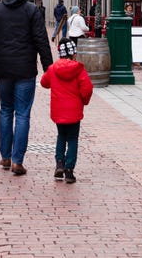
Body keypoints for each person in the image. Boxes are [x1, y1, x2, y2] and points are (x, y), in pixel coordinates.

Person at [0, 0, 53, 176]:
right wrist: (49, 67)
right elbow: (41, 40)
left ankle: (5, 155)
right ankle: (17, 160)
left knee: (5, 110)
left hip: (3, 67)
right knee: (22, 113)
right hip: (25, 68)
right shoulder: (31, 10)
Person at [40, 39, 94, 184]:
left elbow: (44, 82)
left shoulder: (53, 68)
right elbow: (87, 88)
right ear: (73, 54)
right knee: (72, 139)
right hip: (74, 111)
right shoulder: (79, 69)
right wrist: (84, 101)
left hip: (58, 111)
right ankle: (69, 170)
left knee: (61, 136)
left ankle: (59, 163)